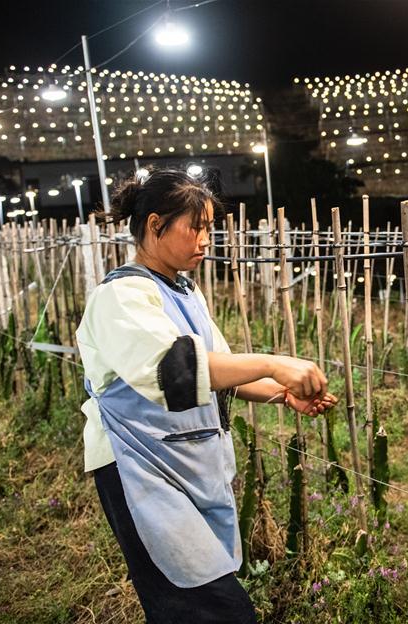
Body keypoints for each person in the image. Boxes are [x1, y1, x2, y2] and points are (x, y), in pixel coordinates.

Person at [76, 168, 336, 623]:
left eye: (209, 228)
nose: (204, 240)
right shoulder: (121, 297)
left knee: (195, 601)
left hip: (179, 465)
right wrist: (275, 362)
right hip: (137, 470)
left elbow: (221, 369)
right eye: (194, 227)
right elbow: (177, 371)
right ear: (155, 225)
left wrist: (280, 393)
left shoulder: (183, 290)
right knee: (207, 607)